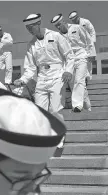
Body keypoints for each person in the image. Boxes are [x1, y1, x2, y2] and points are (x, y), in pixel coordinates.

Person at [14, 13, 74, 152]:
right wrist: (22, 79)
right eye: (27, 28)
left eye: (32, 26)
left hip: (57, 75)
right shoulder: (31, 45)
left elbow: (69, 55)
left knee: (55, 108)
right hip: (42, 77)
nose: (29, 30)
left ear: (38, 23)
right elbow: (30, 67)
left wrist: (68, 71)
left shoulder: (56, 36)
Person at [51, 14, 94, 112]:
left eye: (59, 24)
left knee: (79, 80)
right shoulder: (58, 36)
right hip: (69, 62)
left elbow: (88, 39)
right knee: (74, 84)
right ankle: (87, 106)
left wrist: (91, 53)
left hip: (81, 57)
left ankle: (77, 106)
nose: (58, 27)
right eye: (56, 26)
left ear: (64, 22)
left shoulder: (77, 28)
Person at [68, 11, 97, 81]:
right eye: (72, 19)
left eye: (74, 19)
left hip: (89, 44)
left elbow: (92, 31)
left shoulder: (86, 22)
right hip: (81, 46)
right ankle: (84, 76)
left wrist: (92, 42)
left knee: (89, 60)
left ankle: (88, 77)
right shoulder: (73, 26)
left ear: (78, 17)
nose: (74, 20)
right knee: (83, 61)